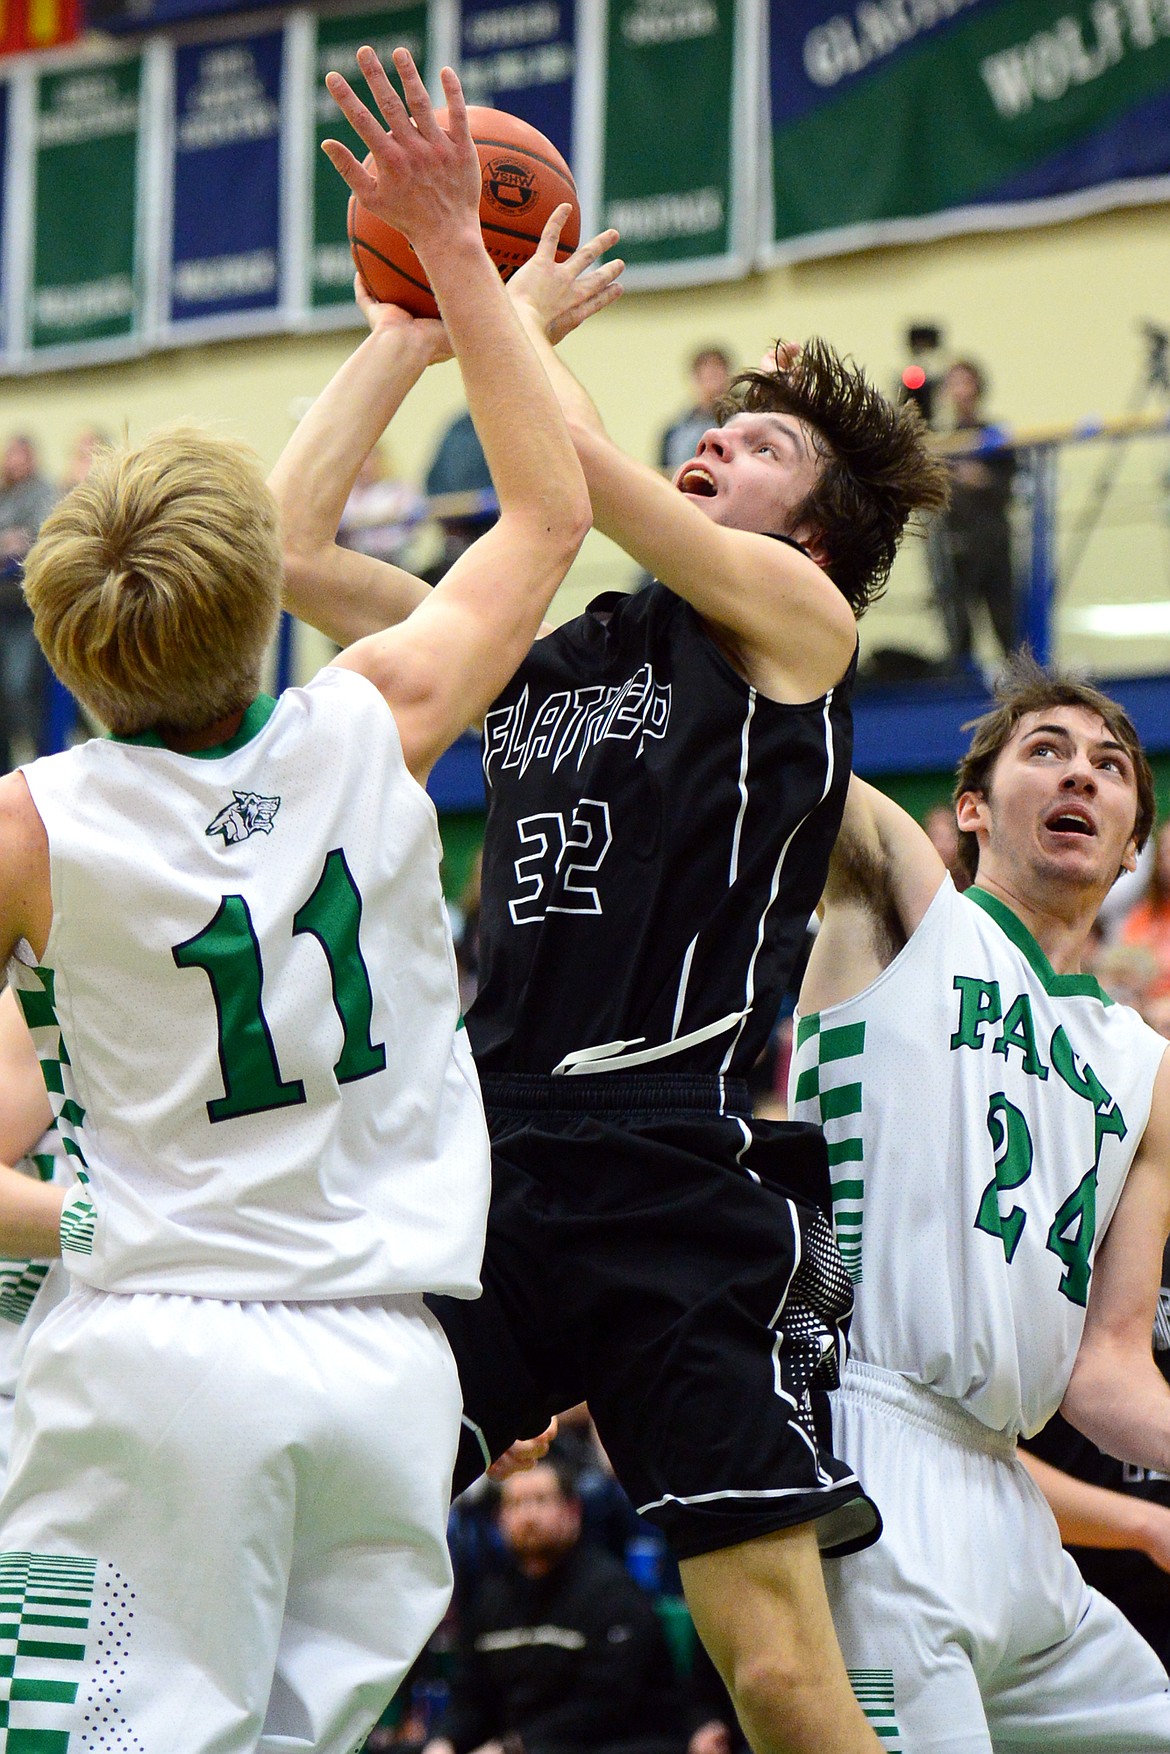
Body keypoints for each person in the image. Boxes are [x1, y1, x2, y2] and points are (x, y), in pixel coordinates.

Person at [278, 146, 948, 1747]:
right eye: (726, 420)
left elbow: (574, 484)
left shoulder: (799, 632)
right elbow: (290, 548)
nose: (717, 434)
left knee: (773, 1661)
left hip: (672, 1174)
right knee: (304, 1539)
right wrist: (406, 327)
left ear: (819, 525)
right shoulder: (542, 646)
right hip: (488, 1167)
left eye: (764, 439)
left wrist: (481, 288)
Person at [0, 48, 593, 1751]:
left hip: (158, 1351)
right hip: (383, 1371)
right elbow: (549, 510)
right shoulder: (375, 725)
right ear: (263, 601)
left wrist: (89, 1221)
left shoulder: (33, 824)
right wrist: (448, 281)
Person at [789, 653, 1170, 1748]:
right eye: (1044, 751)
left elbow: (1108, 1366)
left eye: (1109, 766)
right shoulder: (903, 904)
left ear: (1135, 838)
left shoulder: (1143, 1067)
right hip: (866, 1438)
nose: (1080, 777)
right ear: (969, 809)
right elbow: (770, 713)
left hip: (1008, 1497)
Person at [423, 1455, 688, 1754]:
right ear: (500, 1519)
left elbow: (605, 1707)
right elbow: (470, 1695)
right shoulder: (490, 1599)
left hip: (604, 1744)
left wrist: (512, 1747)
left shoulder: (611, 1592)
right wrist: (444, 1741)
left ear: (572, 1511)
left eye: (540, 1500)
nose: (529, 1516)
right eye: (516, 1504)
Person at [928, 358, 1017, 673]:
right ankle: (960, 680)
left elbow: (1011, 486)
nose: (960, 391)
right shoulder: (943, 440)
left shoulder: (996, 434)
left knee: (1005, 622)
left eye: (965, 382)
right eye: (953, 383)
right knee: (958, 624)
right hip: (956, 543)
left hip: (991, 539)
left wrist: (979, 478)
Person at [0, 434, 57, 772]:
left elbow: (36, 539)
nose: (15, 461)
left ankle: (38, 762)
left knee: (21, 688)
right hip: (1, 609)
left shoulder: (43, 494)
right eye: (11, 454)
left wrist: (15, 543)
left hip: (25, 609)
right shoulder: (4, 494)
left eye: (21, 454)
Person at [658, 346, 734, 475]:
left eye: (716, 374)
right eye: (707, 374)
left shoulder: (738, 425)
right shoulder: (674, 432)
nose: (712, 381)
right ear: (696, 378)